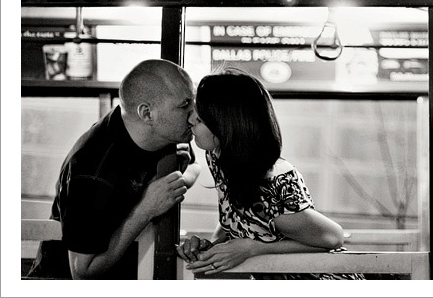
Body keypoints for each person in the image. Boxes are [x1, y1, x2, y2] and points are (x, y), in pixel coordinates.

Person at [176, 69, 363, 280]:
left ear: (225, 127)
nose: (190, 120)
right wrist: (212, 246)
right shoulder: (218, 158)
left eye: (199, 119)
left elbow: (332, 238)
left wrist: (252, 248)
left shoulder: (269, 183)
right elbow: (237, 218)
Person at [27, 59, 201, 280]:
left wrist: (174, 182)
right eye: (185, 104)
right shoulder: (92, 172)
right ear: (147, 114)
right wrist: (146, 208)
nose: (195, 114)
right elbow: (82, 271)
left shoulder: (165, 133)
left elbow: (193, 166)